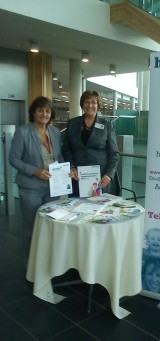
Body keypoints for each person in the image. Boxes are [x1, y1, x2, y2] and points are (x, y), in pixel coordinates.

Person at [9, 96, 74, 262]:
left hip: (53, 187)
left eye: (47, 111)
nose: (44, 114)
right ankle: (32, 265)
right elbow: (14, 159)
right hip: (31, 187)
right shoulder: (23, 132)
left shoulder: (54, 132)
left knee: (51, 224)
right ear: (33, 112)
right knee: (32, 228)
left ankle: (48, 262)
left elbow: (57, 155)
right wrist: (34, 171)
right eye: (40, 110)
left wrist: (64, 169)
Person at [62, 90, 120, 197]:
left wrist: (109, 175)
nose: (90, 105)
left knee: (99, 211)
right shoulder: (72, 124)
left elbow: (114, 154)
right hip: (77, 177)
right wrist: (72, 166)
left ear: (98, 105)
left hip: (100, 178)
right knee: (77, 209)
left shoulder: (106, 125)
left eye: (94, 102)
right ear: (82, 104)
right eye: (87, 102)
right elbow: (66, 148)